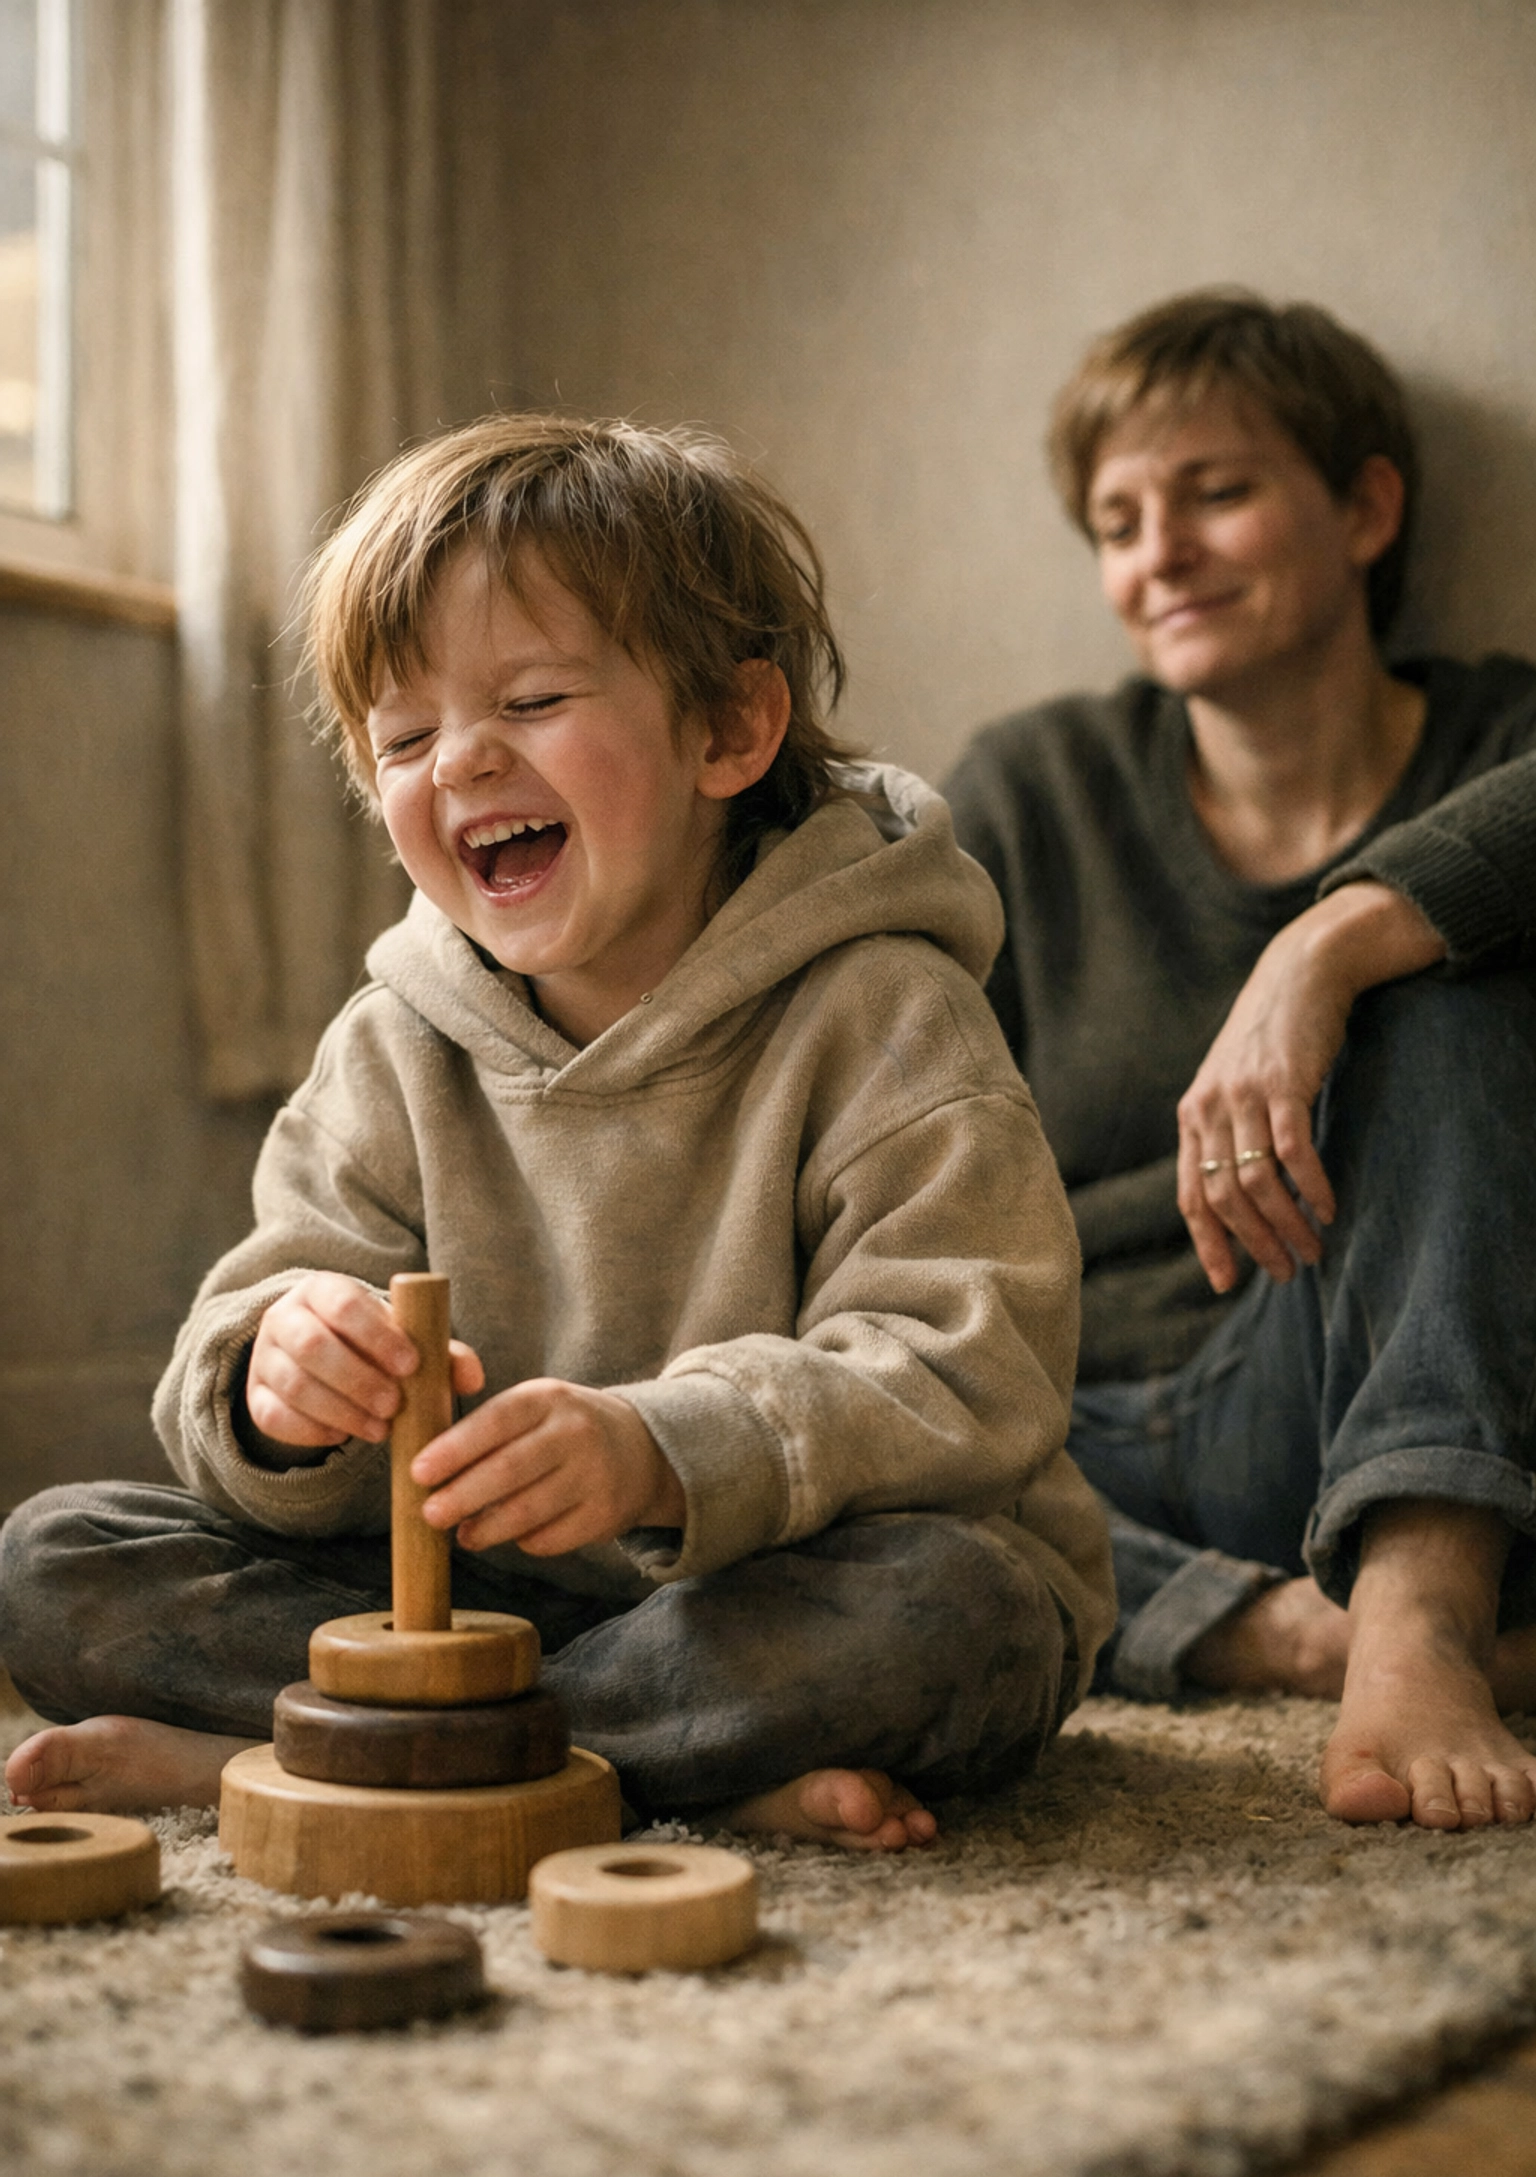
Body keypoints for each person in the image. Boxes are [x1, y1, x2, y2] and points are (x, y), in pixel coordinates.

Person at [0, 413, 1111, 1849]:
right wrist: (279, 1386)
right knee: (56, 1558)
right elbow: (256, 1330)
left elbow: (975, 1369)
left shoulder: (888, 1007)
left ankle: (307, 1754)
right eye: (404, 736)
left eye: (528, 702)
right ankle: (663, 1767)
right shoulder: (393, 1043)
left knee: (955, 1619)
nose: (457, 762)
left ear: (729, 729)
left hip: (772, 1589)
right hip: (474, 1605)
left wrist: (665, 1449)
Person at [946, 290, 1536, 1833]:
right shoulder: (1036, 786)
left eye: (1216, 492)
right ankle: (1289, 1631)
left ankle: (1417, 1606)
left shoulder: (1500, 737)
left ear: (1365, 507)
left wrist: (1326, 949)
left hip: (1371, 1384)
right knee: (837, 1458)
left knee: (1447, 993)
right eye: (1119, 520)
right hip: (1089, 1439)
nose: (1162, 556)